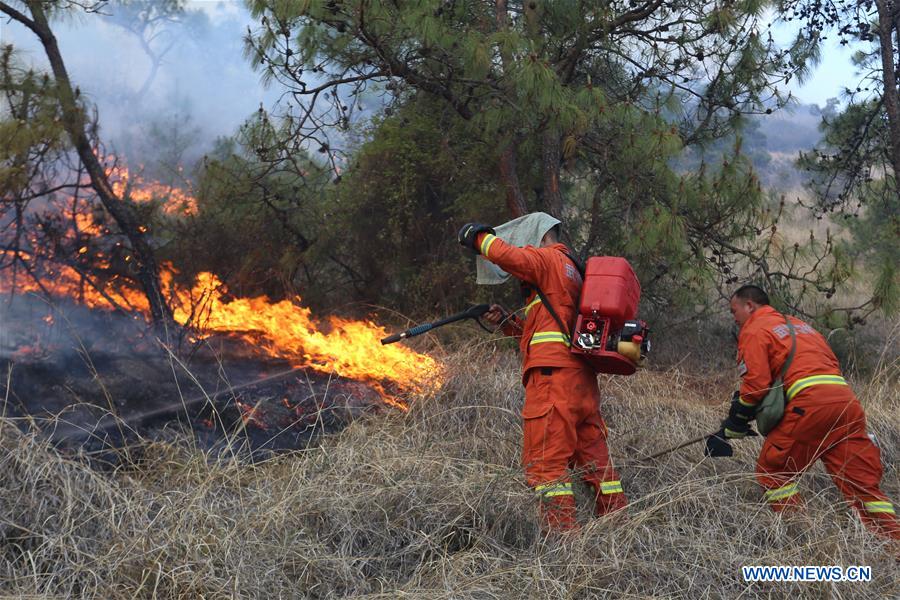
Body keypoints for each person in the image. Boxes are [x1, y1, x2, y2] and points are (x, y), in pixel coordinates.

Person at [458, 214, 626, 532]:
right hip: (581, 383)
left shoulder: (548, 258)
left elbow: (509, 256)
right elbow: (549, 332)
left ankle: (563, 542)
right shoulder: (575, 272)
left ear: (539, 235)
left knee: (546, 465)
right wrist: (507, 322)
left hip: (552, 381)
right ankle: (621, 528)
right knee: (597, 464)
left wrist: (476, 237)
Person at [706, 284, 899, 541]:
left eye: (734, 311)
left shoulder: (754, 328)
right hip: (846, 404)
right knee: (862, 484)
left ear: (749, 306)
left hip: (811, 405)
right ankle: (893, 543)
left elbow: (756, 384)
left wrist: (735, 422)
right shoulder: (801, 326)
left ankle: (803, 540)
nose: (734, 318)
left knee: (773, 472)